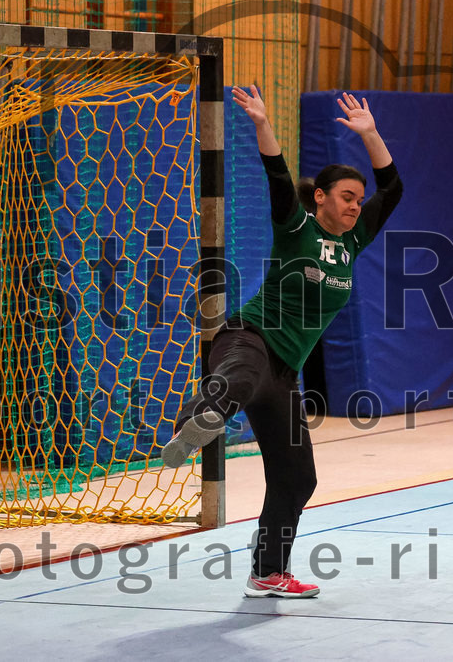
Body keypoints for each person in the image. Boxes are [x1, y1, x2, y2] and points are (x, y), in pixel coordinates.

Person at [162, 86, 403, 598]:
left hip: (285, 374)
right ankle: (195, 422)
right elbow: (277, 175)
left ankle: (267, 573)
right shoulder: (297, 228)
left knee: (297, 478)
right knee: (240, 380)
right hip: (247, 339)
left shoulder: (353, 242)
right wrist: (261, 124)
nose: (356, 207)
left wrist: (371, 133)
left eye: (359, 201)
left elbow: (395, 187)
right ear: (320, 198)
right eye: (346, 197)